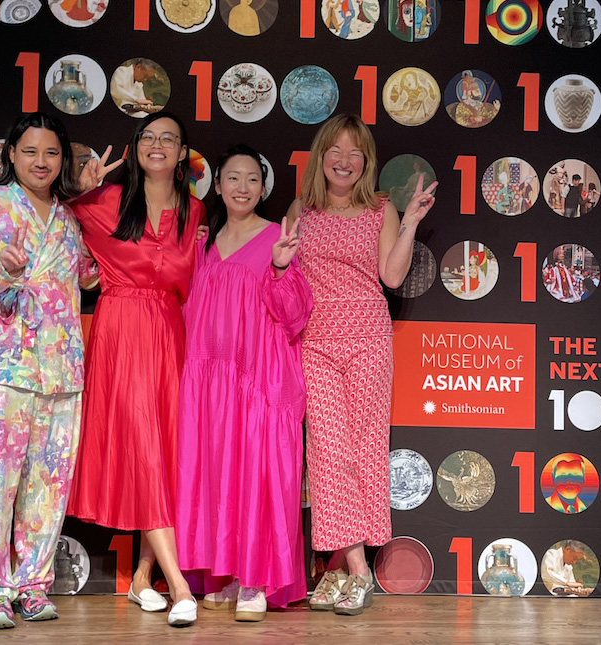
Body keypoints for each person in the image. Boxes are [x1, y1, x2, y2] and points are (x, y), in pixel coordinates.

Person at [0, 112, 99, 630]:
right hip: (0, 370)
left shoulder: (70, 218)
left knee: (48, 486)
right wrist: (0, 272)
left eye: (52, 153)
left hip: (62, 371)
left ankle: (33, 585)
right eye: (30, 151)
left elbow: (87, 277)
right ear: (11, 154)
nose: (41, 162)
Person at [285, 114, 436, 616]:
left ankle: (335, 568)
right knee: (327, 451)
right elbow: (281, 275)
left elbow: (392, 277)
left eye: (355, 152)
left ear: (366, 162)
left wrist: (410, 220)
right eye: (335, 150)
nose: (344, 160)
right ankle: (359, 569)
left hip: (369, 337)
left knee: (365, 449)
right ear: (320, 156)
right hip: (316, 340)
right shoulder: (301, 210)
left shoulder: (378, 209)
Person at [65, 111, 205, 627]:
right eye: (149, 136)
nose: (158, 145)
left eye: (169, 138)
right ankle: (182, 587)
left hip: (170, 332)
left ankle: (143, 578)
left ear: (183, 152)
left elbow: (190, 279)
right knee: (144, 446)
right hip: (121, 330)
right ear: (135, 145)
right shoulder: (102, 203)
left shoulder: (194, 210)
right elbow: (52, 219)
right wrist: (82, 189)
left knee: (164, 453)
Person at [175, 145, 314, 622]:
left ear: (263, 188)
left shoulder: (279, 237)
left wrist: (278, 267)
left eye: (252, 179)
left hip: (260, 379)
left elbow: (295, 315)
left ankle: (257, 580)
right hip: (209, 382)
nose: (241, 187)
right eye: (232, 178)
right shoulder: (203, 241)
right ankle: (225, 572)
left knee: (258, 472)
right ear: (216, 186)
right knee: (217, 473)